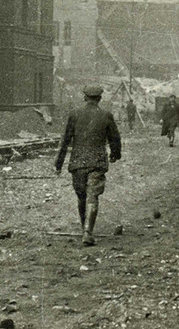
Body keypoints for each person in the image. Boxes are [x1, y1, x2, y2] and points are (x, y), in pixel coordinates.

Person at [55, 85, 122, 246]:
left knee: (81, 196)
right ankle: (88, 231)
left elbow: (65, 140)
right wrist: (115, 154)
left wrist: (59, 163)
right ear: (99, 98)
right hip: (97, 161)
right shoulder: (106, 115)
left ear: (85, 97)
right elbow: (115, 138)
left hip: (78, 162)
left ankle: (84, 229)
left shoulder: (74, 114)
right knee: (93, 195)